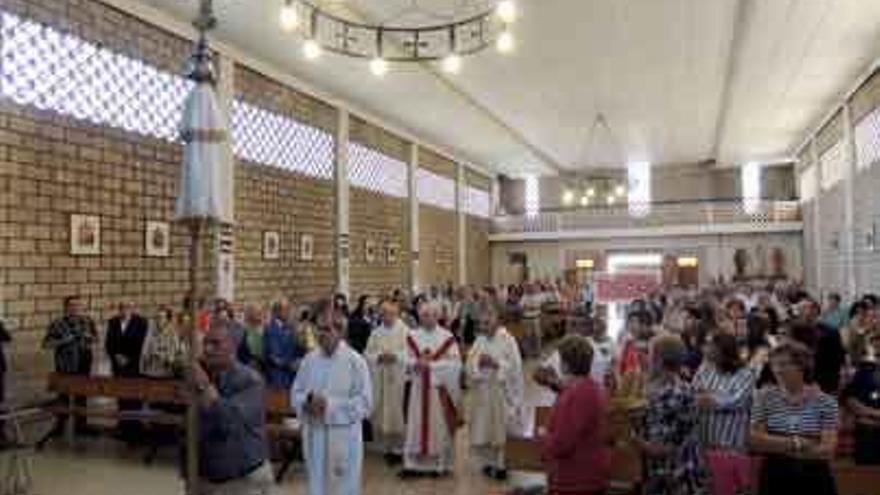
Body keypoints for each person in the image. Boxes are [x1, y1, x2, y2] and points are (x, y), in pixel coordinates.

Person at [292, 299, 372, 495]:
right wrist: (307, 402)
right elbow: (296, 393)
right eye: (318, 329)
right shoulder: (309, 361)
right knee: (317, 486)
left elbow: (365, 403)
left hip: (343, 439)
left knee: (342, 488)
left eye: (326, 329)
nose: (321, 334)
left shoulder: (355, 362)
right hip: (315, 436)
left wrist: (329, 406)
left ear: (340, 331)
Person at [191, 318, 274, 495]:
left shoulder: (251, 380)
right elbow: (190, 428)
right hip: (205, 477)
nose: (207, 349)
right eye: (205, 343)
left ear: (233, 347)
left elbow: (229, 421)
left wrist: (205, 387)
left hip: (243, 479)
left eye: (215, 344)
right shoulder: (200, 375)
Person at [750, 341, 839, 495]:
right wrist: (799, 443)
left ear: (802, 366)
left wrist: (774, 444)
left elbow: (827, 451)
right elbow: (755, 442)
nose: (778, 370)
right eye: (774, 365)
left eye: (784, 364)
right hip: (774, 475)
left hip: (814, 477)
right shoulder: (763, 397)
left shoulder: (826, 401)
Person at [635, 334, 708, 495]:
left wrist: (629, 436)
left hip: (672, 477)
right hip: (681, 472)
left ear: (659, 361)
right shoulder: (684, 387)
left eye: (649, 354)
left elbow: (661, 449)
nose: (646, 358)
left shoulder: (669, 395)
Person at [399, 301, 462, 478]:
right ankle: (413, 464)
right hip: (418, 389)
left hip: (437, 391)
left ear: (438, 316)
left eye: (432, 315)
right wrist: (415, 363)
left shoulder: (447, 337)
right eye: (424, 315)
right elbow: (404, 358)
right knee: (415, 425)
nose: (428, 319)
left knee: (439, 426)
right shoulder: (412, 335)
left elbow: (455, 365)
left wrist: (431, 366)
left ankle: (439, 465)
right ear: (420, 316)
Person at [542, 335, 610, 495]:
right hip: (588, 474)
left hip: (577, 480)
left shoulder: (576, 394)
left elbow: (562, 444)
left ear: (565, 365)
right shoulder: (592, 387)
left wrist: (545, 436)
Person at [466, 302, 524, 480]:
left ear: (497, 321)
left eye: (488, 322)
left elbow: (515, 367)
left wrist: (497, 364)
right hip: (484, 391)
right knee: (485, 428)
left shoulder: (508, 339)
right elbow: (469, 364)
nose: (484, 327)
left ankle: (503, 464)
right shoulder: (479, 340)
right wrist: (477, 364)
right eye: (482, 323)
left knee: (501, 428)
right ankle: (489, 462)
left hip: (501, 392)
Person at [693, 333, 757, 495]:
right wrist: (713, 398)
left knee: (731, 488)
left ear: (722, 349)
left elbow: (735, 401)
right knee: (709, 485)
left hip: (731, 442)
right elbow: (694, 395)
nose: (704, 348)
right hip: (705, 437)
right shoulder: (705, 368)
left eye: (709, 345)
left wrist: (710, 398)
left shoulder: (745, 373)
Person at [42, 295, 98, 437]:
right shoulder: (57, 323)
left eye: (78, 305)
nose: (75, 308)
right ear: (66, 307)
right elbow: (46, 344)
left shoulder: (87, 321)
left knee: (82, 396)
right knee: (63, 396)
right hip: (65, 365)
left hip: (84, 364)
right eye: (72, 305)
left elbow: (96, 338)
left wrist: (89, 337)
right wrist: (63, 341)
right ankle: (60, 426)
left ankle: (81, 426)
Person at [363, 300, 409, 464]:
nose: (386, 317)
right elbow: (367, 354)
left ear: (395, 313)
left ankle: (400, 448)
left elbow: (410, 352)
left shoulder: (404, 331)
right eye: (383, 314)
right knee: (383, 413)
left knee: (398, 413)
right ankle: (386, 447)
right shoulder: (376, 332)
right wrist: (378, 357)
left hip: (398, 379)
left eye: (389, 314)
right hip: (381, 378)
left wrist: (396, 356)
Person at [105, 301, 149, 442]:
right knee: (121, 397)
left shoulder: (141, 322)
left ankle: (135, 428)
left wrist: (129, 358)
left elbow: (143, 343)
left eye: (128, 307)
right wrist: (116, 355)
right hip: (118, 366)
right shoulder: (113, 322)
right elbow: (109, 343)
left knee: (134, 398)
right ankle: (123, 426)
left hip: (134, 365)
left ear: (133, 309)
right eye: (121, 308)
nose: (124, 310)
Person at [843, 329, 880, 465]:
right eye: (875, 347)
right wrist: (872, 412)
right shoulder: (864, 370)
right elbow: (850, 399)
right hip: (868, 429)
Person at [800, 298, 845, 394]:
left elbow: (838, 355)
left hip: (825, 378)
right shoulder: (794, 332)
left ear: (817, 311)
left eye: (811, 308)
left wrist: (840, 375)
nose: (807, 312)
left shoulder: (830, 331)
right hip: (801, 378)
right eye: (803, 308)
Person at [263, 299, 306, 389]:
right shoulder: (270, 329)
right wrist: (290, 365)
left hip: (293, 376)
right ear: (277, 312)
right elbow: (274, 356)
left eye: (289, 309)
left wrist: (302, 356)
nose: (289, 312)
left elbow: (297, 348)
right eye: (286, 309)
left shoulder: (290, 327)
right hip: (278, 378)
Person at [140, 305, 185, 379]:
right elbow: (147, 342)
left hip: (167, 365)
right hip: (154, 367)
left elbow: (176, 344)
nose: (160, 319)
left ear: (166, 318)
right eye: (158, 317)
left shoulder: (171, 328)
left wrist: (175, 356)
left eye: (162, 317)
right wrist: (145, 355)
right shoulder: (152, 327)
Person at [240, 304, 265, 372]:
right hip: (250, 368)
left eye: (261, 311)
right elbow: (241, 352)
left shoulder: (266, 329)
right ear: (249, 314)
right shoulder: (243, 330)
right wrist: (249, 361)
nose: (260, 314)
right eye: (257, 312)